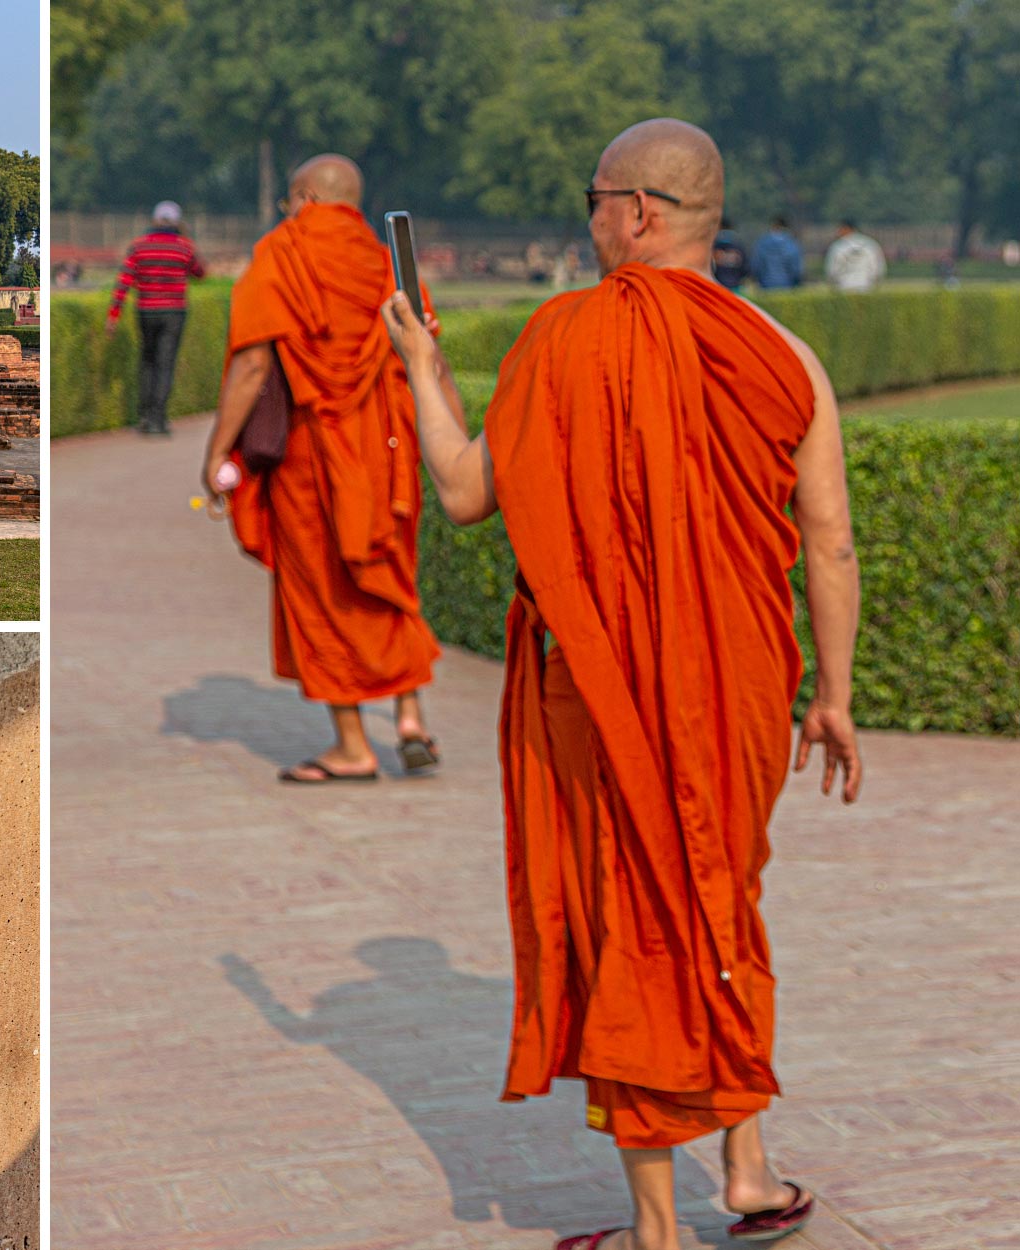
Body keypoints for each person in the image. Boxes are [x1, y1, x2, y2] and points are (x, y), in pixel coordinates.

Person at [379, 118, 862, 1250]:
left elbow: (460, 490)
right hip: (740, 686)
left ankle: (658, 1229)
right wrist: (832, 695)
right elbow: (828, 542)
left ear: (637, 211)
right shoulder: (784, 353)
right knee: (716, 892)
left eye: (593, 196)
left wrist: (418, 363)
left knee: (637, 917)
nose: (587, 216)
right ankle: (746, 1173)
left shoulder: (562, 338)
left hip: (597, 693)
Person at [200, 154, 443, 783]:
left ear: (304, 197)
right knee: (388, 575)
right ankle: (411, 716)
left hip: (319, 453)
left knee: (324, 591)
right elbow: (425, 351)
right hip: (389, 451)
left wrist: (216, 451)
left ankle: (354, 747)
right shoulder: (385, 256)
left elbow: (253, 364)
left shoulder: (284, 251)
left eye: (289, 201)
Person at [107, 200, 206, 436]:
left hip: (147, 310)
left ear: (154, 220)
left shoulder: (140, 246)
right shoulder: (184, 246)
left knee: (148, 361)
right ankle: (158, 419)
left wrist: (114, 314)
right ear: (177, 222)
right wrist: (186, 238)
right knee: (165, 364)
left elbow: (125, 280)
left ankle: (145, 416)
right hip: (174, 311)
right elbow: (200, 272)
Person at [825, 220, 886, 293]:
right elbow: (878, 267)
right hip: (866, 285)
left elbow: (832, 269)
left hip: (843, 286)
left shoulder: (838, 246)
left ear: (846, 228)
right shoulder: (870, 243)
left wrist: (832, 284)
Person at [749, 215, 803, 289]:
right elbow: (796, 270)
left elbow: (757, 265)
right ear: (786, 227)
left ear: (773, 226)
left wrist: (759, 280)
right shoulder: (792, 244)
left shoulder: (762, 243)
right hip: (788, 286)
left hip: (766, 285)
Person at [711, 216, 748, 290]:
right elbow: (746, 268)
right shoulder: (738, 244)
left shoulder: (713, 244)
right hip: (735, 286)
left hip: (717, 286)